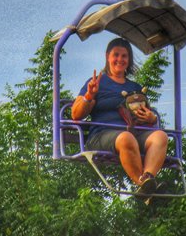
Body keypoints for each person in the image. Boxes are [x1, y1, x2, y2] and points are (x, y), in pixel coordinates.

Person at [71, 38, 168, 195]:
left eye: (124, 56)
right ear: (107, 56)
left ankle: (148, 178)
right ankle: (141, 184)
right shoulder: (97, 83)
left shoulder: (135, 87)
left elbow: (145, 120)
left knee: (160, 136)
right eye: (116, 55)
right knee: (126, 138)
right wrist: (89, 95)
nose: (120, 60)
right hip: (102, 135)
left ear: (128, 60)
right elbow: (76, 115)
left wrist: (151, 119)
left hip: (132, 134)